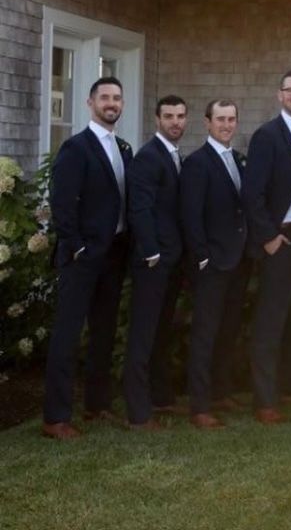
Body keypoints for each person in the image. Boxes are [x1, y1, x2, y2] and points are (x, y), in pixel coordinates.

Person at [42, 76, 132, 439]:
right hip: (82, 257)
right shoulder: (76, 148)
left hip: (114, 254)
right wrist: (77, 247)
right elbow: (62, 205)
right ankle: (55, 417)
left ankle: (97, 405)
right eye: (105, 97)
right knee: (67, 336)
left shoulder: (123, 148)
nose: (112, 103)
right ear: (90, 102)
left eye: (117, 98)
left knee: (103, 333)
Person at [243, 69, 291, 422]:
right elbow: (251, 193)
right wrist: (269, 237)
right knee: (271, 321)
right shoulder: (267, 136)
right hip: (281, 237)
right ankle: (265, 400)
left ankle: (289, 387)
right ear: (280, 95)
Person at [180, 99, 250, 429]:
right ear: (207, 123)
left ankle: (221, 393)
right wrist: (204, 257)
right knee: (205, 334)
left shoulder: (237, 159)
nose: (226, 124)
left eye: (231, 119)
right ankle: (200, 406)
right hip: (212, 264)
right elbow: (190, 217)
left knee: (227, 330)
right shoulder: (197, 163)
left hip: (237, 262)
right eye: (220, 119)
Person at [121, 94, 188, 430]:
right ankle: (137, 412)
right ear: (157, 119)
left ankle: (161, 398)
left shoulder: (173, 155)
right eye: (169, 116)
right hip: (153, 262)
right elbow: (140, 209)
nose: (175, 121)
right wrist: (152, 254)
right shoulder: (149, 157)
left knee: (161, 331)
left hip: (171, 261)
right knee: (143, 335)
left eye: (180, 116)